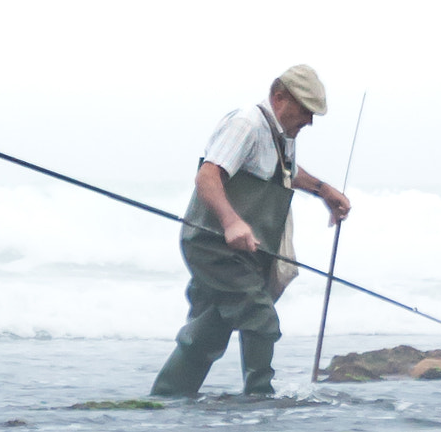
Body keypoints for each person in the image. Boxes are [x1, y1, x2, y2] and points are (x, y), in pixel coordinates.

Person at [149, 65, 350, 398]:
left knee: (210, 329)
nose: (309, 121)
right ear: (280, 97)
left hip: (245, 251)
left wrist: (323, 190)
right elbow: (208, 176)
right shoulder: (246, 123)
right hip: (214, 245)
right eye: (305, 111)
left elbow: (284, 172)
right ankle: (260, 400)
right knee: (260, 316)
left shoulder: (279, 135)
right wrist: (231, 222)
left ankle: (167, 400)